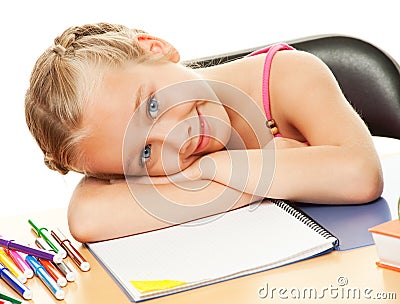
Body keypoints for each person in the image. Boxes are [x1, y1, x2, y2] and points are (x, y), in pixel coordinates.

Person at [25, 22, 383, 242]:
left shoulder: (287, 76)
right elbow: (87, 217)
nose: (175, 138)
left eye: (151, 105)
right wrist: (226, 172)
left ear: (156, 48)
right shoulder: (187, 159)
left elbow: (361, 175)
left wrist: (203, 176)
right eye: (144, 153)